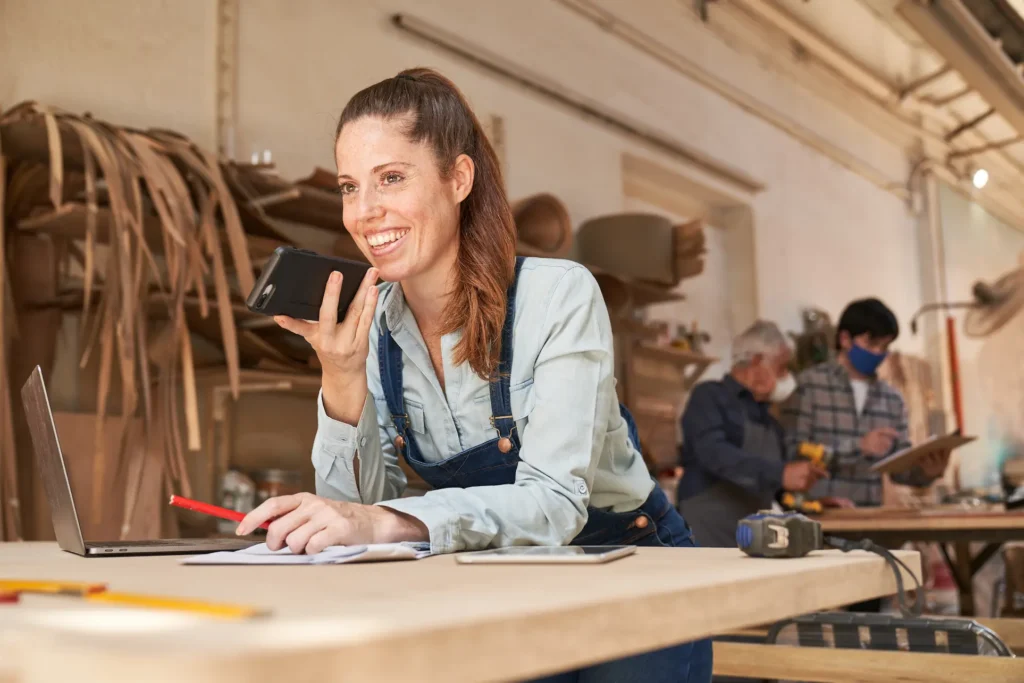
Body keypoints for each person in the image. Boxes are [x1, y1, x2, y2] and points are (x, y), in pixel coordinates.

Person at [235, 68, 712, 682]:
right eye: (350, 187)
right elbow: (358, 519)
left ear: (458, 179)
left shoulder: (557, 296)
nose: (365, 211)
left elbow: (554, 504)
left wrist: (391, 520)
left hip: (627, 576)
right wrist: (342, 375)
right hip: (498, 585)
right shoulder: (377, 324)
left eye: (391, 178)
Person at [784, 298, 949, 508]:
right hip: (818, 516)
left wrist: (927, 472)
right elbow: (792, 453)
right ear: (845, 339)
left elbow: (900, 472)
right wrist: (858, 447)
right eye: (871, 344)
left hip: (869, 518)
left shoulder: (892, 399)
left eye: (884, 346)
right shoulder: (809, 386)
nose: (878, 353)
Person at [676, 321, 828, 547]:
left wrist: (809, 498)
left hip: (750, 534)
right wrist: (781, 473)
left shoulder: (771, 422)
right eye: (781, 367)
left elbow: (773, 485)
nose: (786, 377)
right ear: (757, 361)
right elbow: (714, 453)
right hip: (707, 528)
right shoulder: (709, 397)